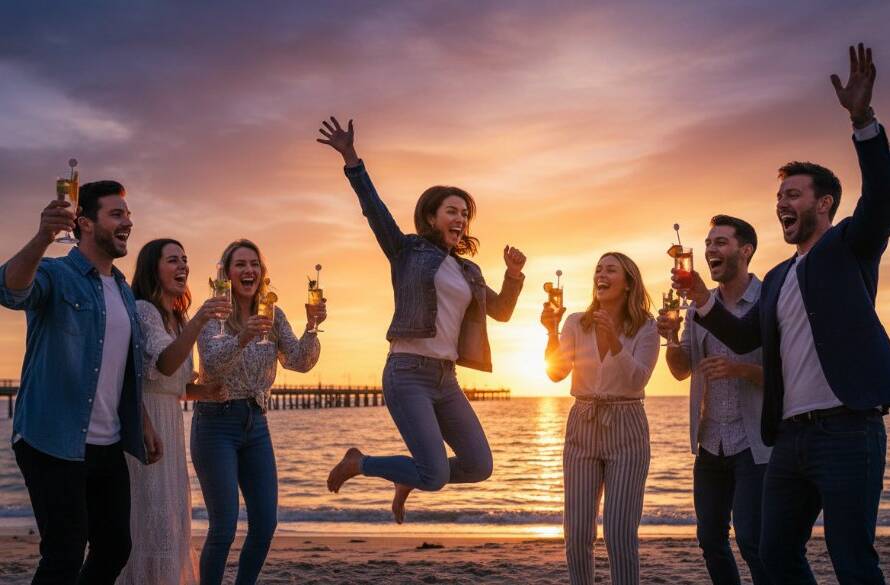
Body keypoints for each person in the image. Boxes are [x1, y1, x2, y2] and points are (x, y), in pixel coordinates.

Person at [680, 44, 889, 584]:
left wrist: (863, 121)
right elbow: (745, 332)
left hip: (847, 429)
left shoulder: (849, 248)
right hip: (788, 438)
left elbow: (883, 198)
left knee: (852, 559)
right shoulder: (775, 277)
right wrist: (702, 297)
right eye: (778, 196)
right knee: (773, 555)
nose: (781, 203)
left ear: (823, 204)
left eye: (792, 194)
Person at [319, 117, 526, 523]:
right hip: (407, 372)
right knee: (433, 475)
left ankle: (408, 476)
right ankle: (362, 463)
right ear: (431, 217)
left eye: (465, 214)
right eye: (452, 211)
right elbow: (374, 210)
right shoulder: (406, 251)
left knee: (480, 465)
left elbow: (500, 311)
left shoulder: (469, 272)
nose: (461, 219)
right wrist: (351, 158)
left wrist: (514, 275)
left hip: (446, 379)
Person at [0, 180, 162, 584]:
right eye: (117, 214)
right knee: (64, 555)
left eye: (128, 214)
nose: (128, 222)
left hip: (107, 443)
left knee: (114, 547)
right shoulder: (55, 273)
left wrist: (140, 417)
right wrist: (42, 236)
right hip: (53, 439)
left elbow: (119, 366)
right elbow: (10, 290)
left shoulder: (123, 289)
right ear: (85, 224)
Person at [194, 239, 324, 585]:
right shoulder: (214, 313)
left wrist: (312, 327)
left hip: (256, 423)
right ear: (227, 272)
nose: (248, 270)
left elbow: (298, 361)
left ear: (261, 273)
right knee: (223, 527)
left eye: (254, 264)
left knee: (265, 524)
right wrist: (242, 338)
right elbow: (211, 365)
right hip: (216, 423)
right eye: (240, 264)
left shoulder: (273, 313)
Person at [657, 216, 771, 584]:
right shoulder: (695, 310)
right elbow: (680, 370)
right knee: (710, 540)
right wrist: (672, 338)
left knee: (753, 541)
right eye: (707, 244)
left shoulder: (768, 300)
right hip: (710, 443)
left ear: (746, 250)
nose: (710, 251)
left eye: (720, 242)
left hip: (754, 443)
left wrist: (741, 370)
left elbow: (786, 377)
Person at [118, 238, 231, 585]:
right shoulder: (144, 311)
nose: (182, 266)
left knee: (170, 518)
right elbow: (164, 366)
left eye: (184, 259)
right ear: (154, 268)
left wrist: (205, 392)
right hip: (145, 423)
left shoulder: (177, 319)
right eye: (172, 260)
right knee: (149, 520)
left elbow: (175, 387)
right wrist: (201, 318)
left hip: (170, 424)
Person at [541, 252, 657, 585]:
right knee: (577, 534)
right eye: (598, 270)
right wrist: (551, 331)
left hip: (627, 423)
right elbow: (557, 372)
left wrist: (613, 342)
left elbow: (637, 380)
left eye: (610, 269)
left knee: (619, 536)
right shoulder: (577, 322)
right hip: (583, 421)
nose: (601, 275)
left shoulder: (647, 327)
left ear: (628, 282)